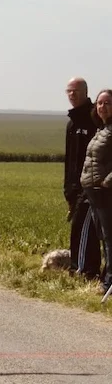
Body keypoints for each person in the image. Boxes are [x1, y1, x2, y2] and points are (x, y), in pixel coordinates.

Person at [64, 77, 101, 280]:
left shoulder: (94, 119)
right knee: (79, 229)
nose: (72, 94)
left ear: (86, 92)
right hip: (75, 188)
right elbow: (69, 160)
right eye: (69, 91)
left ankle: (85, 271)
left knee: (86, 228)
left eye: (76, 91)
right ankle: (81, 269)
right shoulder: (72, 123)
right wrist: (68, 189)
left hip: (91, 187)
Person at [80, 89, 112, 294]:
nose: (102, 107)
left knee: (110, 237)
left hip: (105, 192)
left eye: (107, 103)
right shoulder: (102, 129)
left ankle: (109, 283)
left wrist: (107, 182)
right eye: (100, 103)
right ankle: (106, 278)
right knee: (103, 236)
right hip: (94, 192)